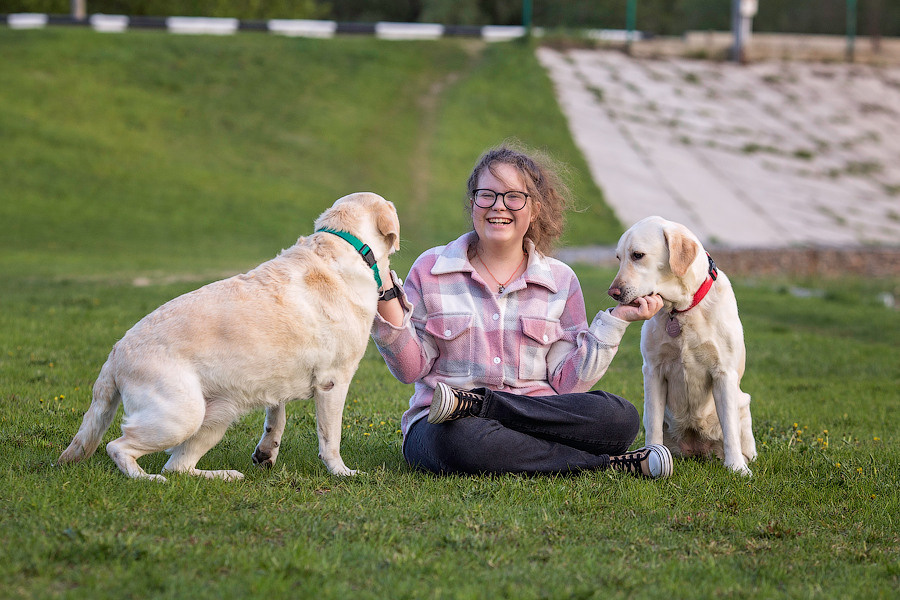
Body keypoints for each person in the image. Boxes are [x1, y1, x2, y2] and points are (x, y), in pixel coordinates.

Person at [371, 143, 671, 479]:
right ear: (473, 203)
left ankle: (482, 406)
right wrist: (384, 296)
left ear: (535, 209)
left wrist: (617, 320)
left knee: (620, 417)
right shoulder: (431, 269)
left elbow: (567, 384)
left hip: (537, 418)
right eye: (487, 195)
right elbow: (411, 369)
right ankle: (606, 464)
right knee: (461, 442)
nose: (499, 206)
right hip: (448, 427)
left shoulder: (560, 281)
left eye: (514, 196)